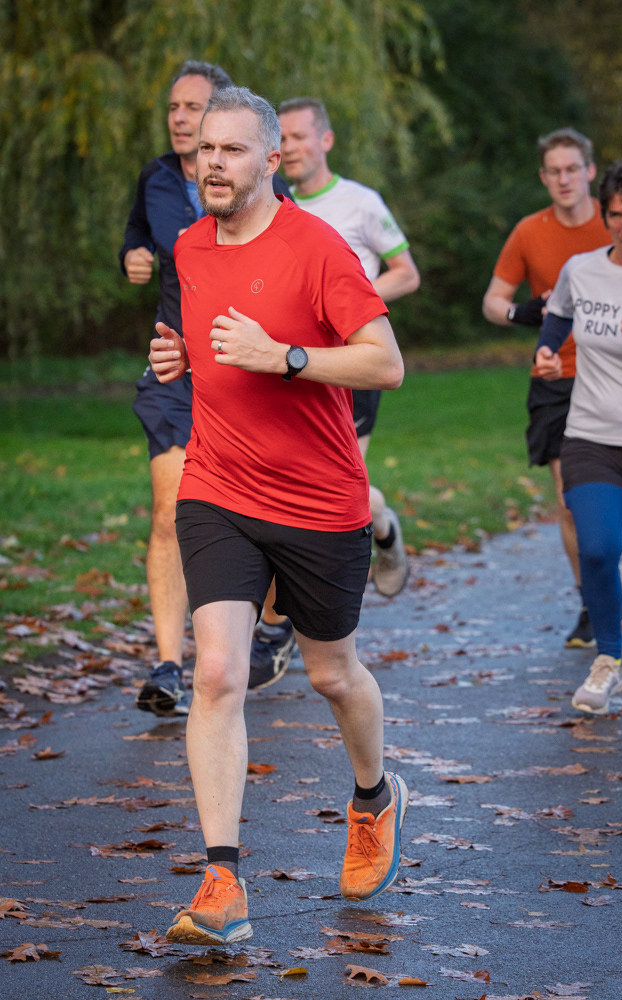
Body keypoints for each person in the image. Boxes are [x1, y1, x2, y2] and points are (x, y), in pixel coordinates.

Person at [147, 86, 409, 945]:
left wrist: (285, 357)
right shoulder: (189, 245)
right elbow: (207, 345)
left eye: (231, 150)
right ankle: (221, 881)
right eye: (203, 150)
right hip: (218, 486)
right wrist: (178, 356)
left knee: (332, 675)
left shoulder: (317, 247)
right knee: (219, 673)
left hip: (318, 499)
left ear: (270, 159)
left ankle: (373, 796)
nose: (212, 163)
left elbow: (384, 364)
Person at [119, 61, 294, 715]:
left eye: (193, 107)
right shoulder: (158, 177)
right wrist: (132, 256)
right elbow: (138, 235)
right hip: (176, 367)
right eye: (173, 107)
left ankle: (272, 624)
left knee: (263, 510)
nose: (180, 118)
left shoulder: (266, 189)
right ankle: (168, 665)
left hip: (248, 368)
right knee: (169, 508)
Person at [482, 128, 622, 648]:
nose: (564, 179)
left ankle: (613, 574)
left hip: (621, 373)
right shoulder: (529, 231)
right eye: (554, 171)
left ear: (589, 172)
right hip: (556, 377)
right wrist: (523, 312)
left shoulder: (616, 222)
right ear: (544, 177)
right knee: (570, 502)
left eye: (572, 169)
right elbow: (493, 302)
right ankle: (594, 600)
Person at [535, 158, 622, 715]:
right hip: (591, 438)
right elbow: (558, 316)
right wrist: (547, 351)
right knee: (597, 547)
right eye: (615, 215)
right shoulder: (582, 269)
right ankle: (609, 659)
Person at [278, 97, 420, 600]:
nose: (289, 147)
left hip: (352, 361)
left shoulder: (361, 202)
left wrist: (347, 305)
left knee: (341, 482)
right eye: (282, 138)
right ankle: (285, 606)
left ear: (326, 140)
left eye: (299, 136)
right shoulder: (275, 205)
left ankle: (382, 531)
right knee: (290, 480)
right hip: (288, 362)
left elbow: (406, 273)